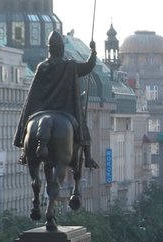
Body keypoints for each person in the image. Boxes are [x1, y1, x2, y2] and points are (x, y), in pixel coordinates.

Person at [14, 30, 99, 168]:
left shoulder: (42, 67)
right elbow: (88, 67)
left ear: (49, 50)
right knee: (83, 128)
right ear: (62, 49)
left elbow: (33, 94)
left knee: (28, 124)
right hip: (65, 109)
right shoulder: (70, 66)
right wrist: (93, 52)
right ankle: (88, 159)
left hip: (42, 109)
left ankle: (25, 152)